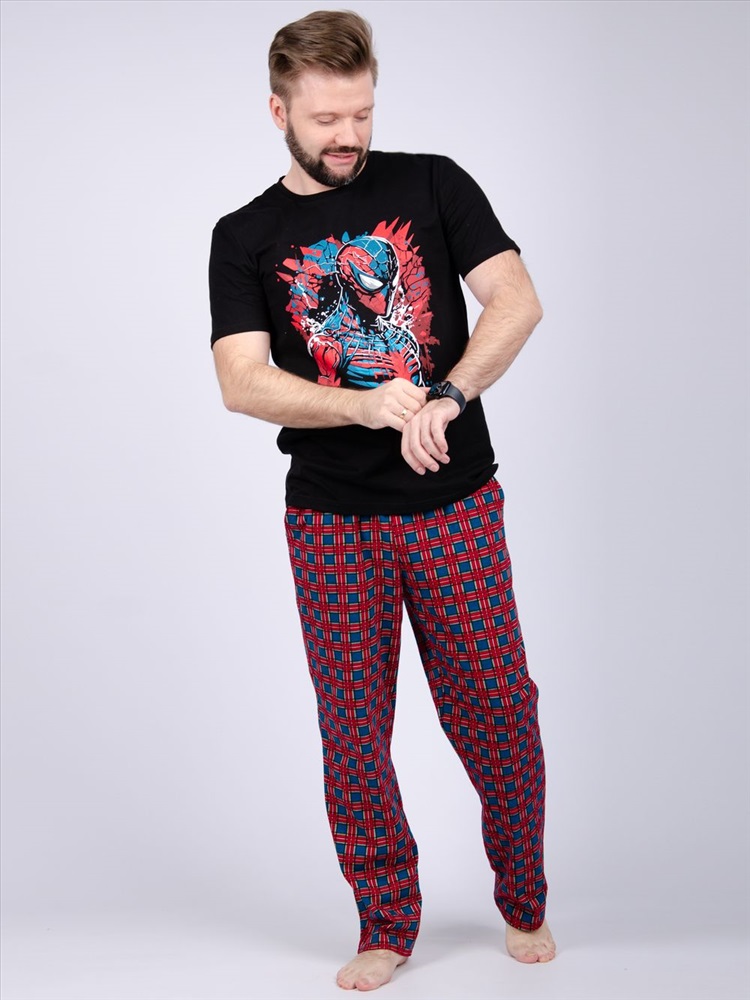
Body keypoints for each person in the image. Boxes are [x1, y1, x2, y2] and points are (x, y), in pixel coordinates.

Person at [209, 9, 556, 991]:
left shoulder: (434, 182)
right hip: (329, 522)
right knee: (354, 733)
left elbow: (517, 300)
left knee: (499, 709)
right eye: (325, 119)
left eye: (360, 113)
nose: (347, 135)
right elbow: (240, 380)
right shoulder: (244, 235)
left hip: (456, 507)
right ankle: (385, 920)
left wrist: (448, 393)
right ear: (278, 111)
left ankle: (524, 897)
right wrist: (364, 407)